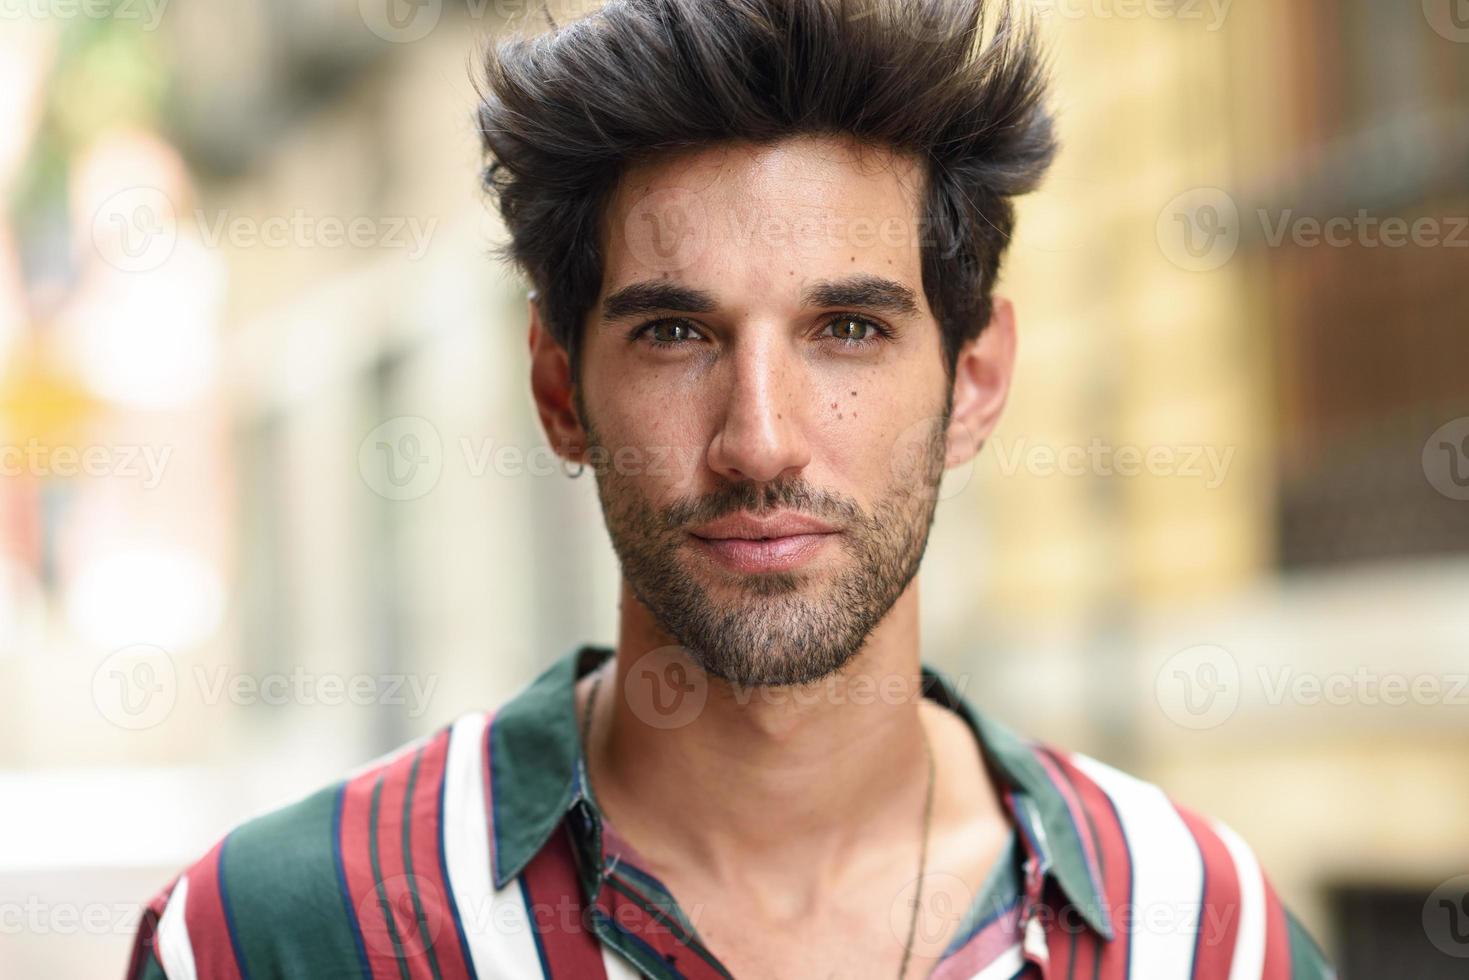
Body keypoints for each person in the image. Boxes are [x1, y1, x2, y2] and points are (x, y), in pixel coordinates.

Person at [125, 0, 1335, 976]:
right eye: (672, 334)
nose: (758, 442)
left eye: (848, 328)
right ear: (558, 389)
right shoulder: (279, 937)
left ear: (972, 381)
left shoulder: (1195, 933)